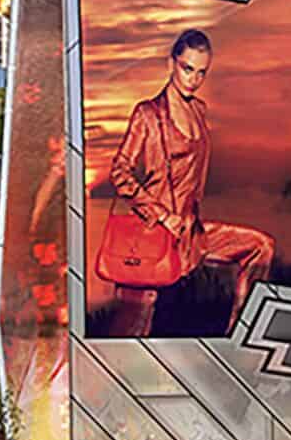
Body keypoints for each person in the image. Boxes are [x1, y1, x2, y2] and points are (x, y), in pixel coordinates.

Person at [101, 29, 274, 338]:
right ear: (172, 65)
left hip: (192, 236)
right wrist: (162, 215)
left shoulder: (199, 110)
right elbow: (120, 172)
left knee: (260, 247)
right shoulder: (149, 115)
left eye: (201, 72)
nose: (193, 79)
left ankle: (238, 338)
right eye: (187, 68)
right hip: (155, 236)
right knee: (130, 332)